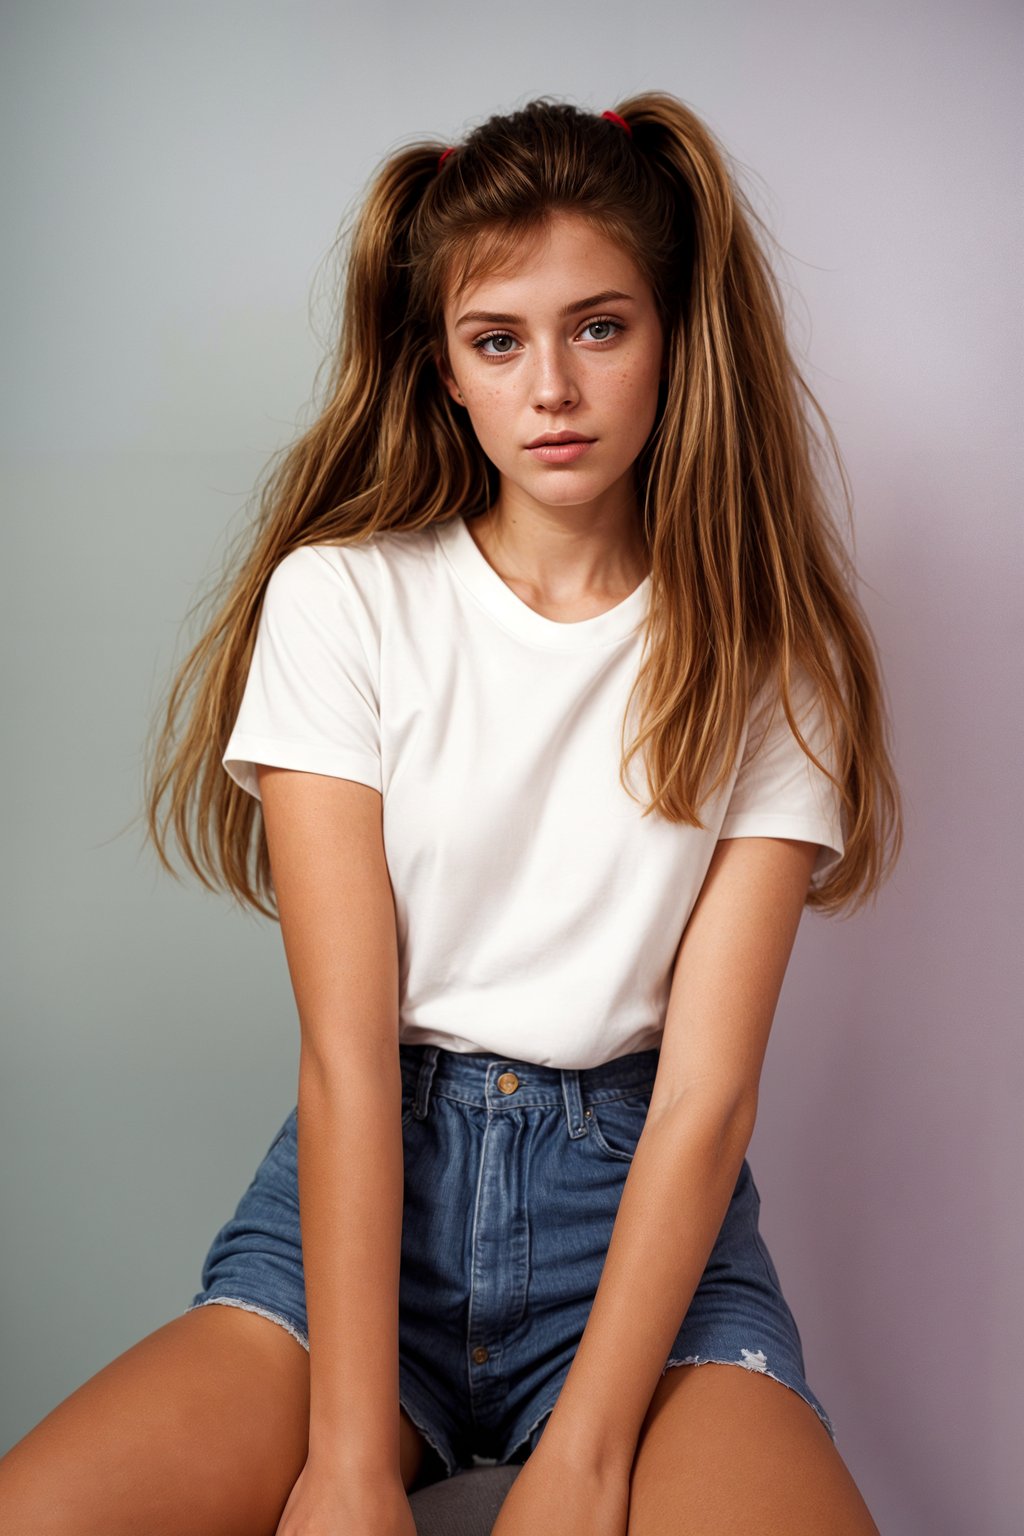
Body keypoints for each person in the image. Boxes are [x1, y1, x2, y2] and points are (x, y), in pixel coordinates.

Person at [0, 93, 899, 1534]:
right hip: (361, 1221)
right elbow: (346, 1057)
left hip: (641, 1236)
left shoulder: (764, 654)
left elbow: (707, 1099)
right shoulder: (344, 602)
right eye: (500, 341)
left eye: (600, 327)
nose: (552, 385)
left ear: (673, 337)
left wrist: (590, 1458)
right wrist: (351, 1460)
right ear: (445, 371)